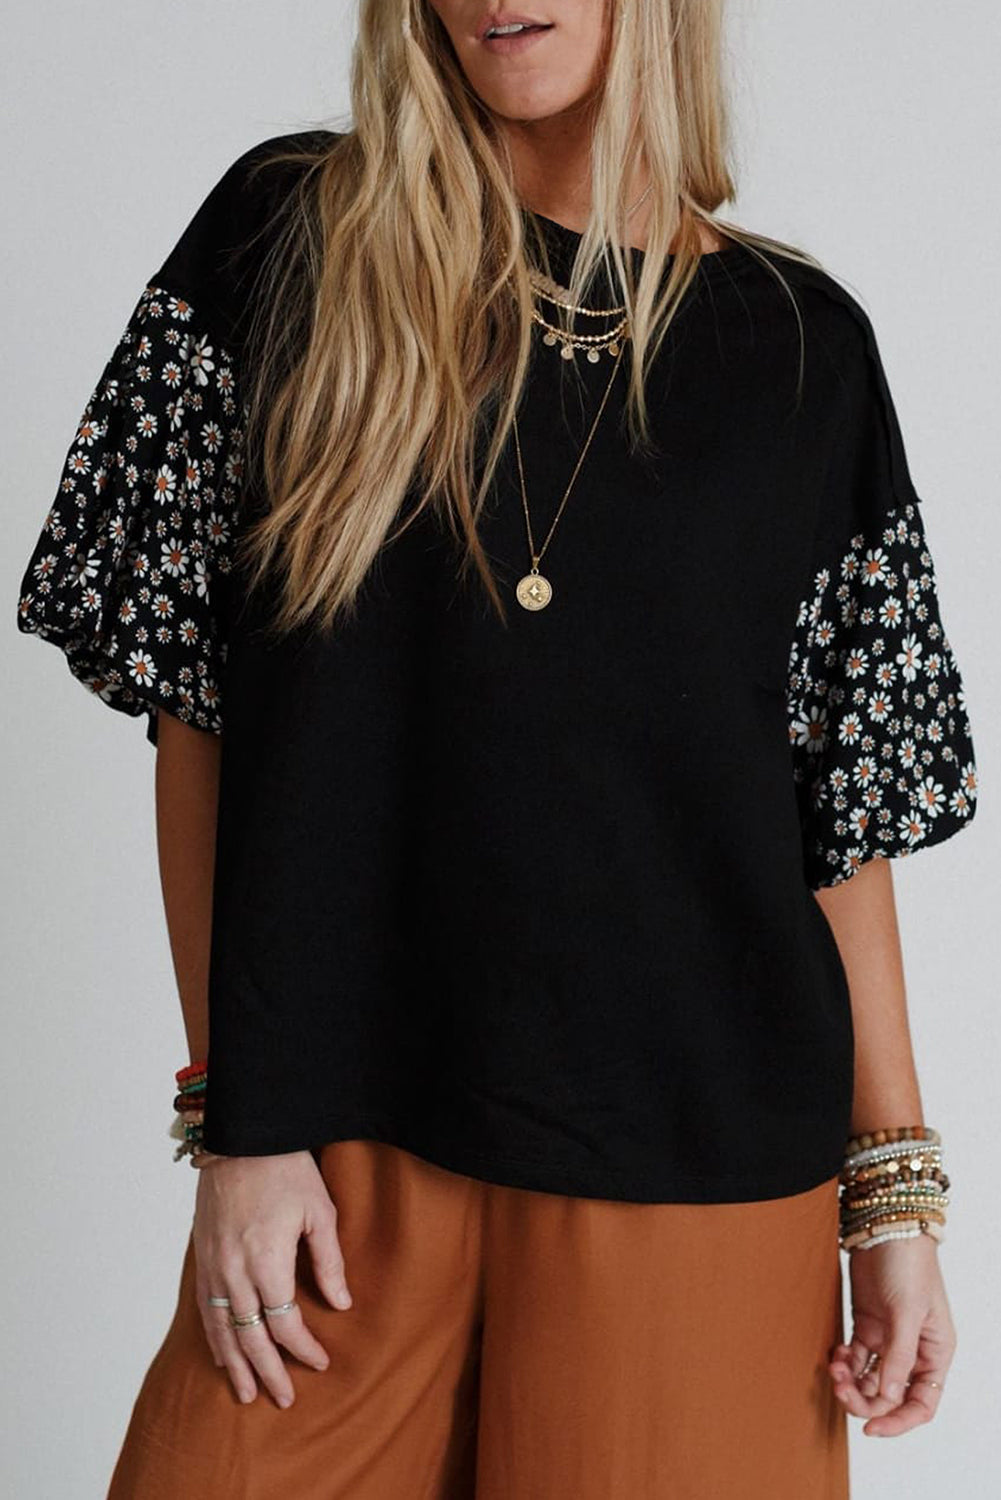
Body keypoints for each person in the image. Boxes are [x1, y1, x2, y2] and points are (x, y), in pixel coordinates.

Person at [14, 2, 978, 1497]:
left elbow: (839, 812)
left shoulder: (801, 351)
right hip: (347, 1151)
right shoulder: (289, 239)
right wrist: (238, 1118)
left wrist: (893, 1201)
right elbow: (195, 711)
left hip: (695, 1171)